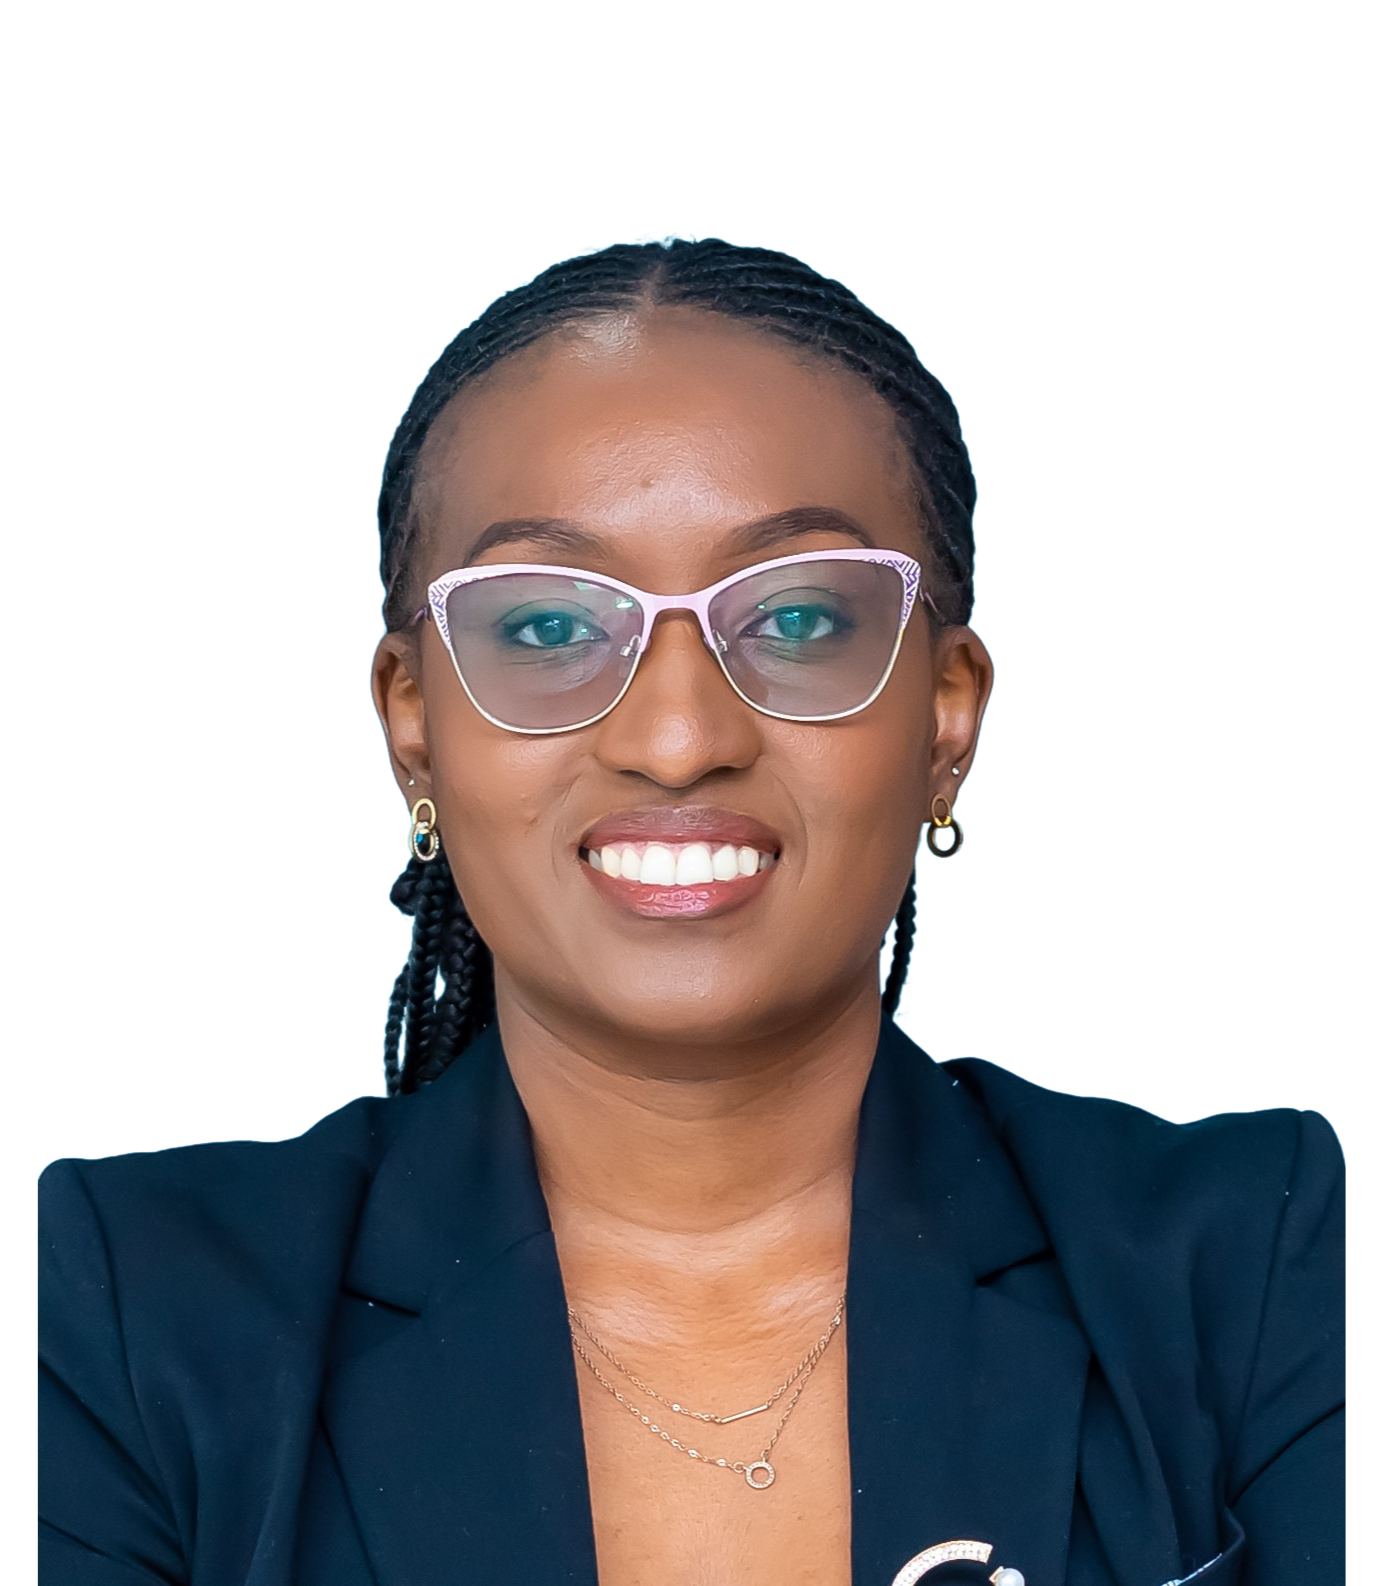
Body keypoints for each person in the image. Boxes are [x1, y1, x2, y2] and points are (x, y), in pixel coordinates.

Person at [38, 239, 1344, 1586]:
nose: (675, 737)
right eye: (547, 627)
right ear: (414, 727)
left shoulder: (1258, 1267)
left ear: (943, 717)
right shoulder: (122, 1313)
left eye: (792, 617)